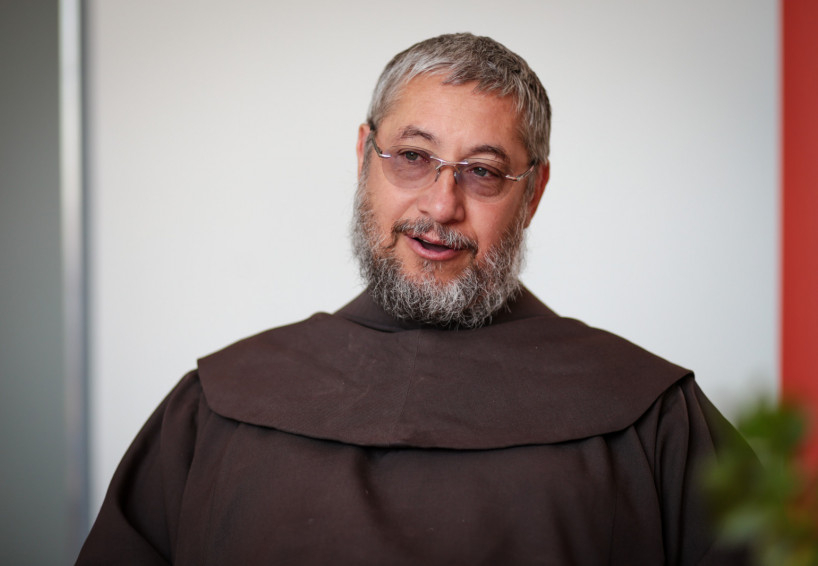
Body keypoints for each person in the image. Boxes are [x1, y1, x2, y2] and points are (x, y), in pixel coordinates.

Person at [77, 33, 752, 565]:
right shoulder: (213, 408)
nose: (441, 204)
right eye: (412, 156)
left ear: (533, 194)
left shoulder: (652, 417)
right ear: (363, 156)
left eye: (483, 172)